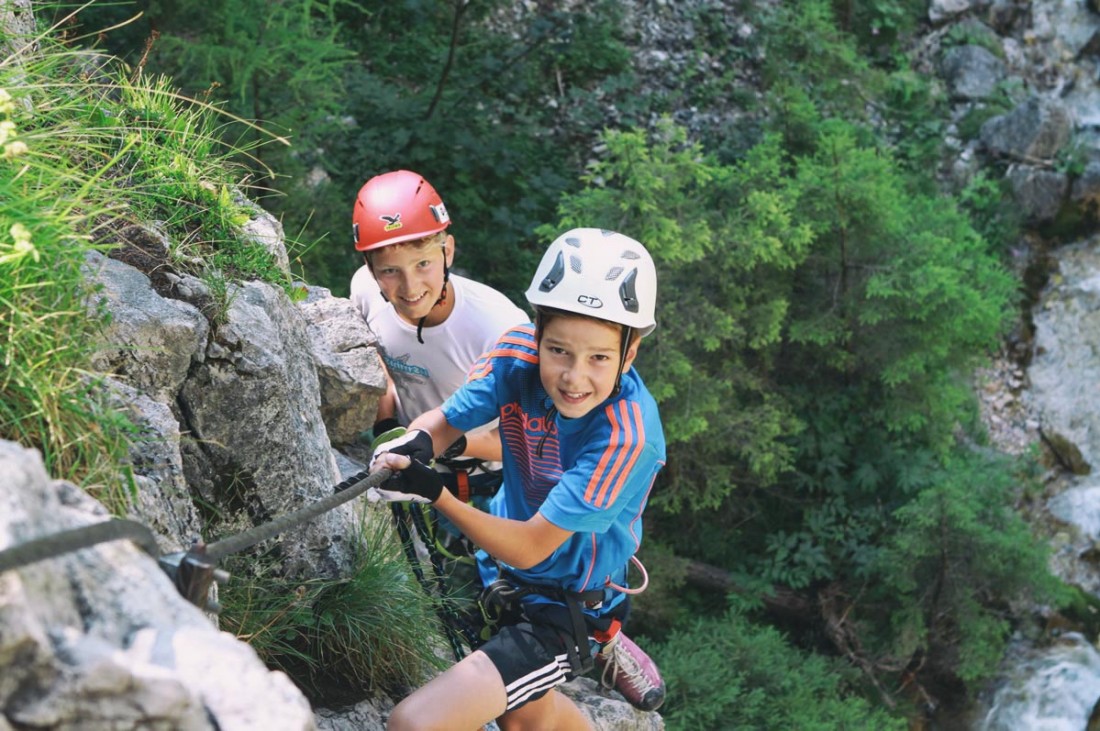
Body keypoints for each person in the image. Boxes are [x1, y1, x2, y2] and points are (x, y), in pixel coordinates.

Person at [370, 228, 667, 730]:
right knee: (525, 718)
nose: (573, 377)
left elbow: (531, 548)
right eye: (558, 351)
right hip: (501, 573)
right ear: (536, 333)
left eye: (598, 357)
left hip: (564, 606)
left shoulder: (627, 437)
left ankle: (605, 638)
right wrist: (416, 443)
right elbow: (446, 422)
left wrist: (433, 490)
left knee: (414, 724)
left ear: (629, 353)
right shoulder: (516, 356)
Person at [350, 169, 529, 461]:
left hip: (485, 479)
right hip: (405, 464)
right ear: (371, 270)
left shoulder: (500, 328)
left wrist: (447, 442)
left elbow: (534, 437)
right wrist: (387, 424)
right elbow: (372, 352)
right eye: (390, 271)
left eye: (422, 264)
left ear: (447, 252)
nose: (410, 287)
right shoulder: (365, 290)